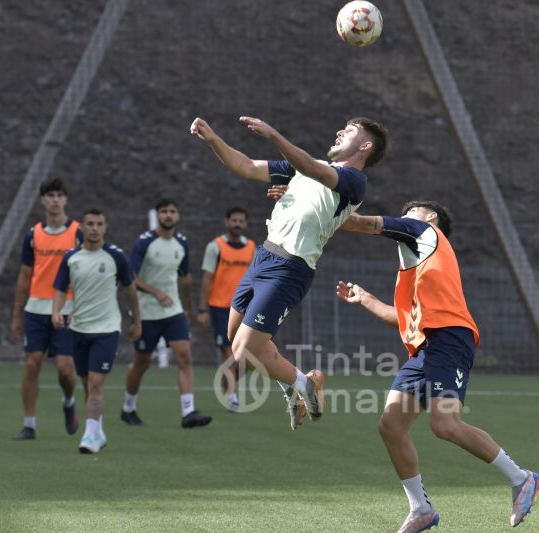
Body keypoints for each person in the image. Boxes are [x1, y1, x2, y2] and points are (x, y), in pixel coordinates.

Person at [336, 201, 539, 531]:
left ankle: (522, 478)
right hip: (426, 350)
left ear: (430, 219)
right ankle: (421, 509)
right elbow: (403, 319)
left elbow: (362, 223)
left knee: (445, 424)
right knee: (391, 424)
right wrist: (366, 299)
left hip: (449, 340)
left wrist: (314, 204)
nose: (403, 217)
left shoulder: (425, 231)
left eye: (410, 211)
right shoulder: (418, 264)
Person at [190, 115, 388, 429]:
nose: (339, 130)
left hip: (290, 269)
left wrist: (275, 136)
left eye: (349, 131)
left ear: (364, 147)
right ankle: (300, 384)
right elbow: (244, 165)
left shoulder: (354, 181)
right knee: (235, 338)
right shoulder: (307, 169)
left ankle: (303, 385)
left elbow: (312, 168)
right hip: (263, 256)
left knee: (243, 351)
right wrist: (213, 138)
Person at [52, 208, 141, 454]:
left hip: (107, 329)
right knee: (86, 383)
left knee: (96, 383)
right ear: (82, 227)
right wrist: (56, 311)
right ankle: (97, 431)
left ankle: (90, 437)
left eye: (98, 224)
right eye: (89, 223)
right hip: (78, 328)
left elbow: (130, 291)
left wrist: (137, 321)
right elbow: (60, 288)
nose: (94, 228)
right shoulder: (71, 257)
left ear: (105, 227)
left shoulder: (116, 256)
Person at [120, 199, 212, 429]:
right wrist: (155, 292)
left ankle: (188, 412)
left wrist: (188, 309)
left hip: (173, 312)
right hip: (147, 313)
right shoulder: (145, 242)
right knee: (141, 363)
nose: (168, 215)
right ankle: (128, 408)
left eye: (172, 211)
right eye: (164, 211)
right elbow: (131, 277)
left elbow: (185, 279)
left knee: (184, 356)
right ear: (158, 215)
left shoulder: (181, 243)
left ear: (178, 216)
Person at [10, 177, 81, 440]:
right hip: (36, 309)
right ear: (42, 200)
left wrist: (80, 307)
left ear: (65, 199)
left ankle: (68, 401)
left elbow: (84, 273)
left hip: (66, 309)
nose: (55, 200)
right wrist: (17, 314)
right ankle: (29, 424)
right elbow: (25, 275)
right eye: (50, 195)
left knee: (64, 367)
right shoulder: (33, 234)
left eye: (59, 195)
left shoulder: (78, 232)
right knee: (32, 364)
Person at [197, 206, 256, 412]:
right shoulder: (215, 246)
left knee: (249, 355)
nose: (237, 224)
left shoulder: (251, 247)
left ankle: (228, 383)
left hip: (246, 307)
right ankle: (232, 394)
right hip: (220, 307)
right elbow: (207, 278)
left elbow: (255, 278)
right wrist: (202, 309)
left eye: (241, 221)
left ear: (246, 224)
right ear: (227, 222)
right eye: (234, 220)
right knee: (228, 352)